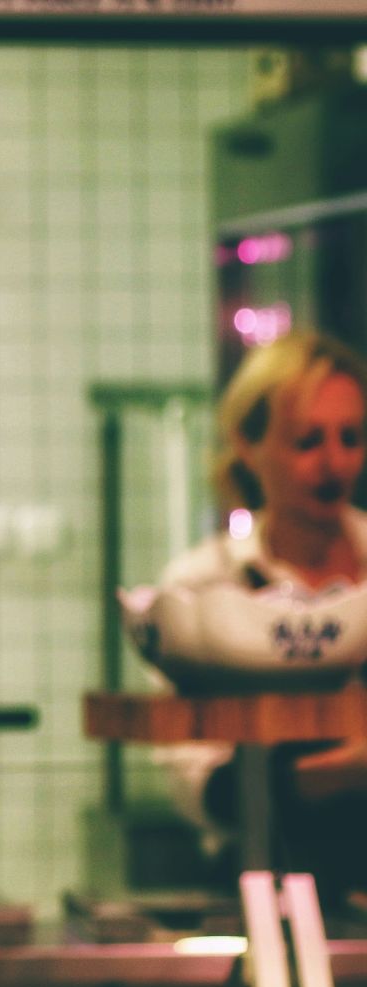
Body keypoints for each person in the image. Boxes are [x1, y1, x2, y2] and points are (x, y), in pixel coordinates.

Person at [157, 331, 367, 899]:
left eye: (350, 438)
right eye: (307, 442)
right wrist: (343, 772)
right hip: (254, 878)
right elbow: (199, 789)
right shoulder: (199, 589)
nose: (334, 462)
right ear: (247, 446)